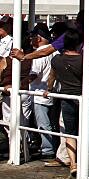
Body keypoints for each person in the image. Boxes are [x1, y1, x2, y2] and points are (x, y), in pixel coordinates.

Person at [48, 27, 85, 178]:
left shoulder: (56, 60)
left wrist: (48, 89)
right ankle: (87, 159)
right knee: (85, 129)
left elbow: (52, 77)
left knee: (69, 132)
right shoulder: (83, 59)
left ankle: (73, 162)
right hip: (82, 97)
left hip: (66, 97)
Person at [27, 25, 57, 161]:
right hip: (52, 92)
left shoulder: (39, 53)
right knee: (52, 122)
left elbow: (34, 74)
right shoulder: (55, 51)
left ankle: (47, 149)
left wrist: (23, 80)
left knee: (43, 123)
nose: (30, 40)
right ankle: (49, 147)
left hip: (39, 92)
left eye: (32, 37)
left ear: (38, 38)